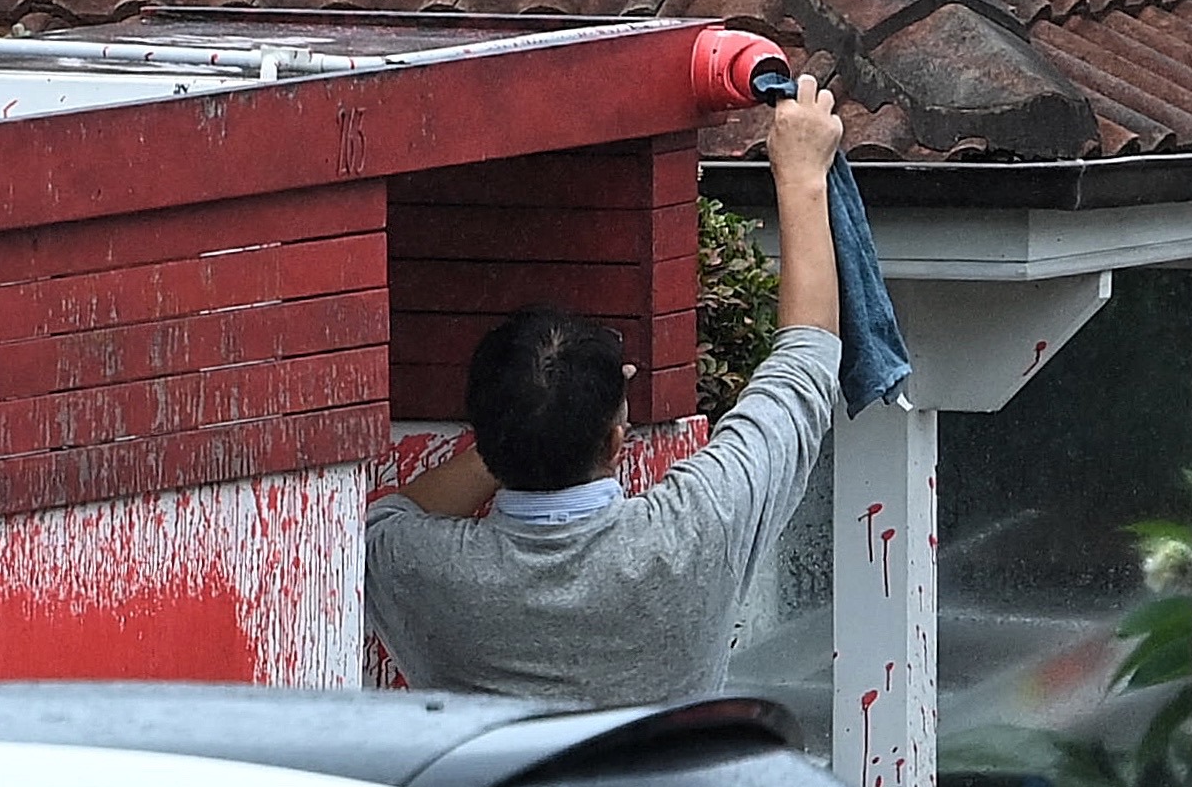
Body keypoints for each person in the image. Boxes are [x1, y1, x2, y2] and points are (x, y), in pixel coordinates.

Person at [363, 75, 847, 706]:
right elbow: (804, 365)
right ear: (618, 439)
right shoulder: (695, 530)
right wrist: (802, 176)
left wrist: (521, 425)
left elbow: (388, 518)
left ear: (483, 436)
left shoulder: (418, 566)